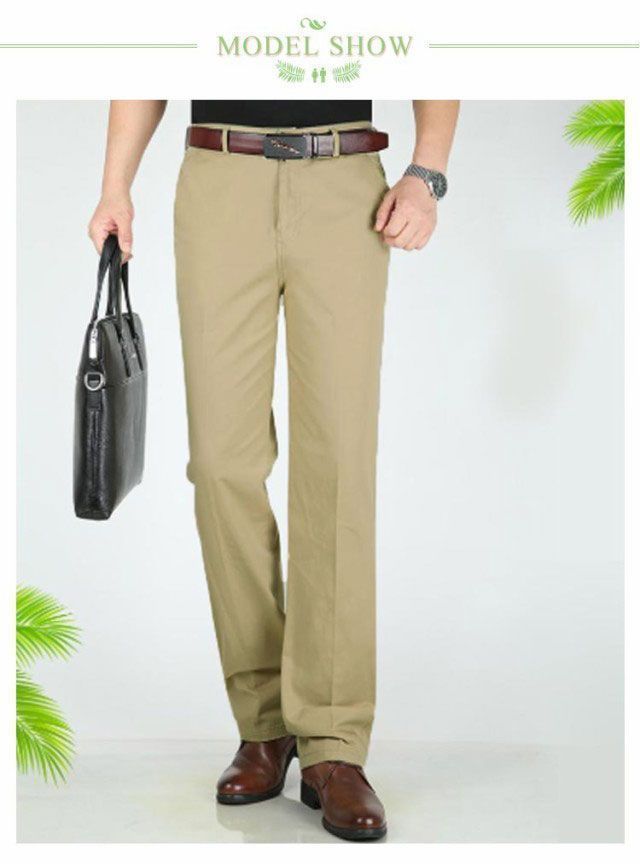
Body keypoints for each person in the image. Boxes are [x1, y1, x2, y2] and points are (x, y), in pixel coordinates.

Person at [89, 99, 459, 842]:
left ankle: (333, 742)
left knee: (337, 464)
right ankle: (265, 723)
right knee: (220, 464)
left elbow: (436, 41)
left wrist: (428, 172)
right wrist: (114, 185)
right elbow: (148, 48)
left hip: (344, 182)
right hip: (219, 179)